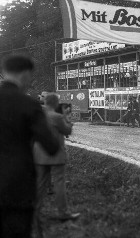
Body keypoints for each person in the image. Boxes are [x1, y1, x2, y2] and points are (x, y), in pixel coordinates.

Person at [0, 55, 59, 238]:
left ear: (4, 73)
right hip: (18, 186)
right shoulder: (29, 104)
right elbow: (50, 146)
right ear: (25, 74)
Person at [33, 93, 80, 223]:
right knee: (59, 183)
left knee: (40, 184)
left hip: (40, 154)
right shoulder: (57, 117)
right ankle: (63, 212)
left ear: (45, 102)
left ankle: (34, 211)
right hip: (56, 154)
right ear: (56, 103)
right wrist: (68, 119)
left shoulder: (37, 115)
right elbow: (67, 131)